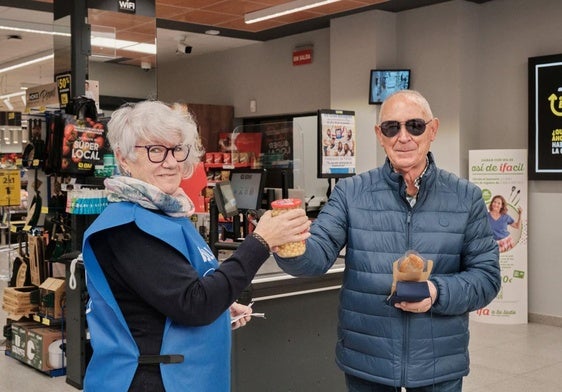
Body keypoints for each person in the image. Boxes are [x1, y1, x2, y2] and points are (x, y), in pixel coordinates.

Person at [274, 90, 501, 391]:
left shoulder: (466, 197)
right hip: (368, 362)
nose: (403, 137)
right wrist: (289, 245)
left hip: (438, 363)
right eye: (392, 128)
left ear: (432, 130)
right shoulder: (350, 193)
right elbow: (317, 254)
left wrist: (436, 292)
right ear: (380, 135)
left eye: (415, 126)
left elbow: (486, 278)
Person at [81, 100, 311, 392]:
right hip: (151, 382)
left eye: (177, 149)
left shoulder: (168, 214)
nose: (170, 161)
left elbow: (181, 292)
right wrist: (260, 241)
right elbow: (195, 303)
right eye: (154, 150)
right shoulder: (126, 227)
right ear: (124, 158)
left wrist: (221, 306)